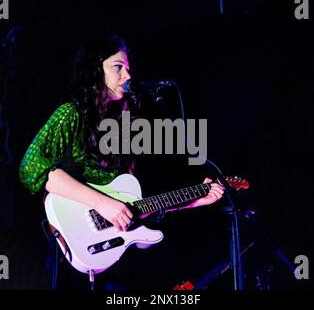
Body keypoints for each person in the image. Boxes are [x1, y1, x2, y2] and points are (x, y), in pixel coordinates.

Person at [19, 35, 225, 290]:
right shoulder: (70, 114)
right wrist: (102, 204)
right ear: (95, 70)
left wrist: (193, 201)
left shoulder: (121, 128)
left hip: (112, 258)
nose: (127, 75)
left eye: (127, 68)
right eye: (118, 66)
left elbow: (130, 209)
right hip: (72, 254)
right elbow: (31, 167)